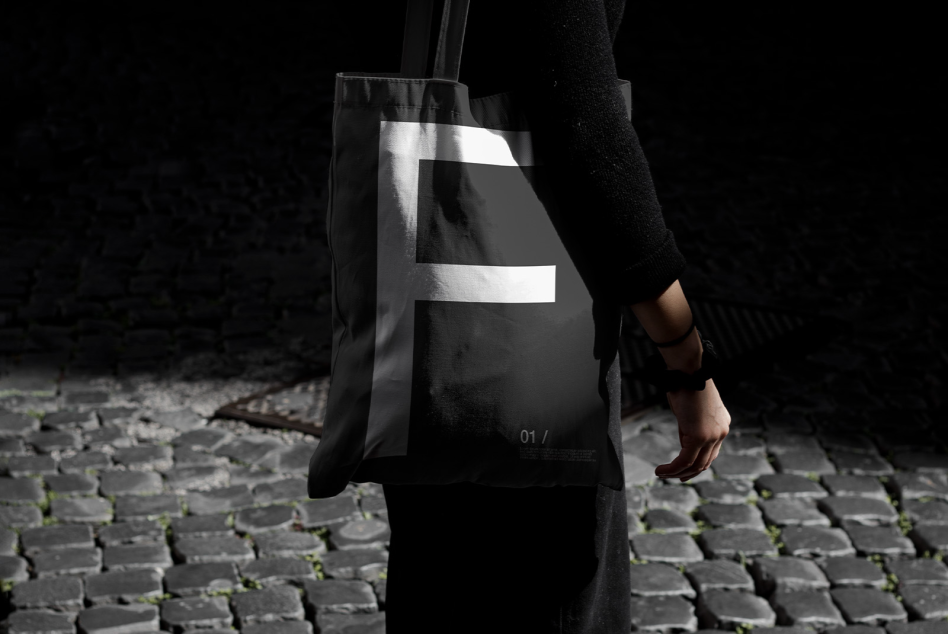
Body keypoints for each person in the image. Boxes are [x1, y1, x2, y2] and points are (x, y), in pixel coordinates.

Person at [382, 1, 731, 632]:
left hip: (431, 343)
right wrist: (685, 361)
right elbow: (593, 142)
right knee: (551, 591)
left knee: (439, 580)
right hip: (535, 353)